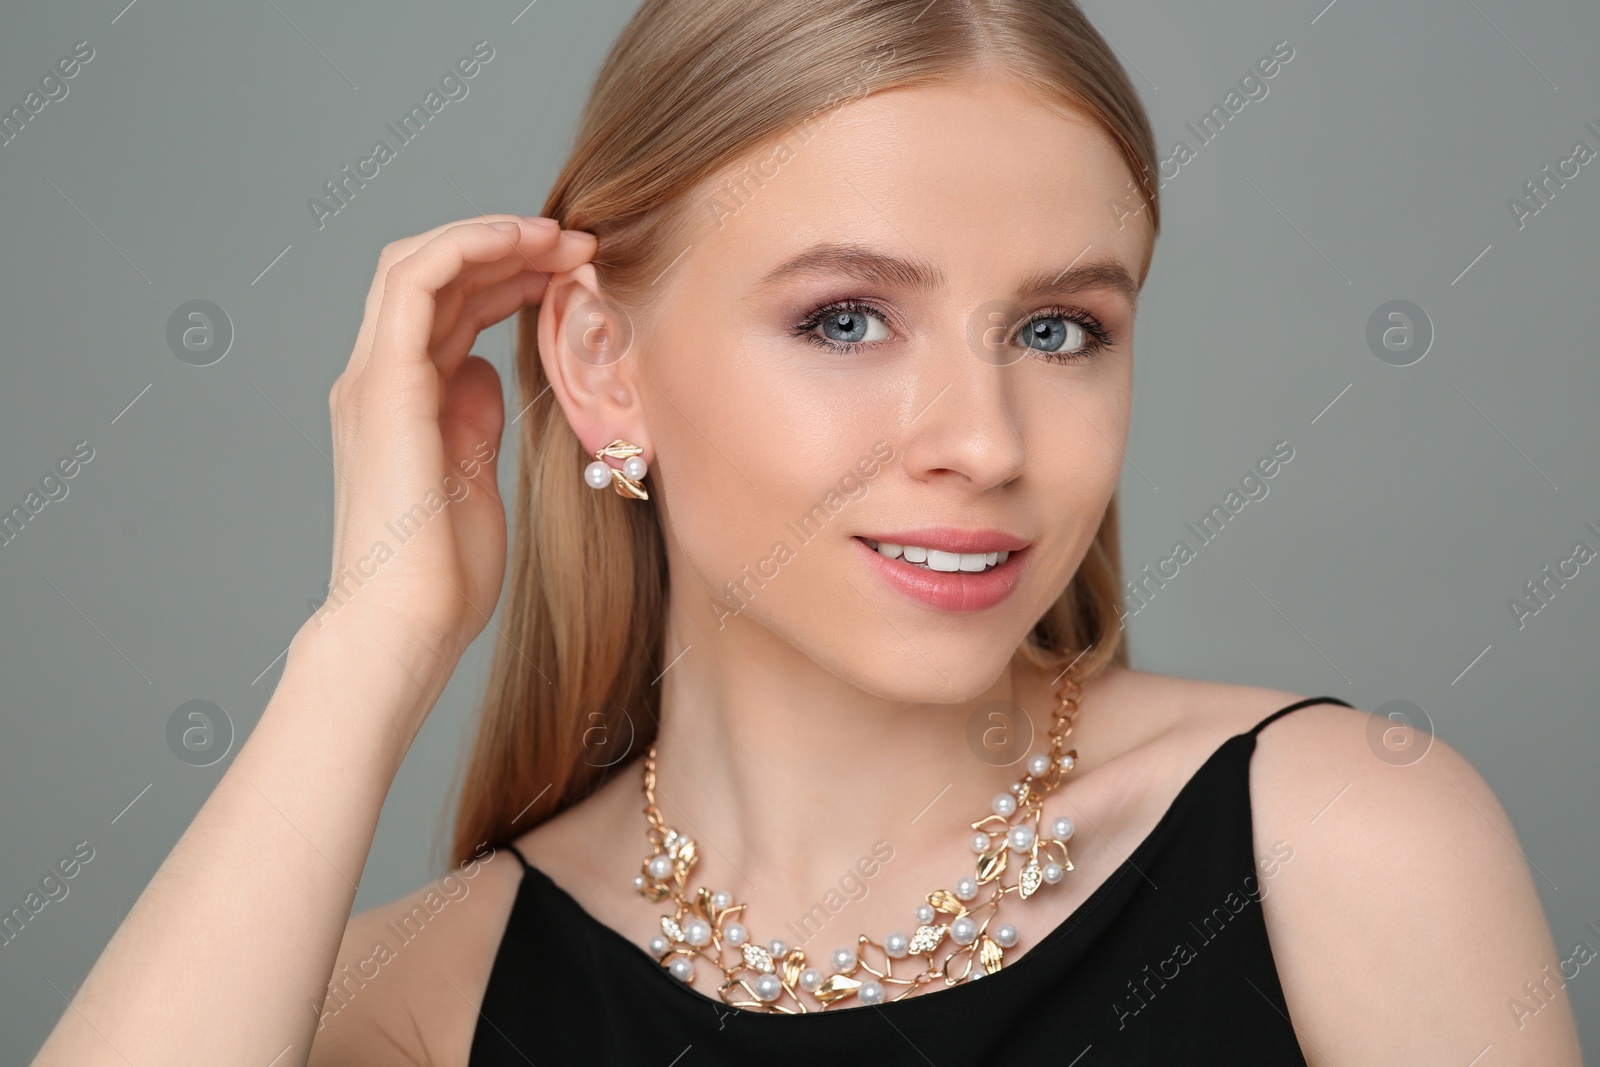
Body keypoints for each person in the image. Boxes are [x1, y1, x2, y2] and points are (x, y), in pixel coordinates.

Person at [34, 1, 1582, 1064]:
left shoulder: (1342, 842)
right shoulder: (428, 994)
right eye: (846, 319)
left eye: (1056, 330)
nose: (983, 444)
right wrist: (371, 638)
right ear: (601, 364)